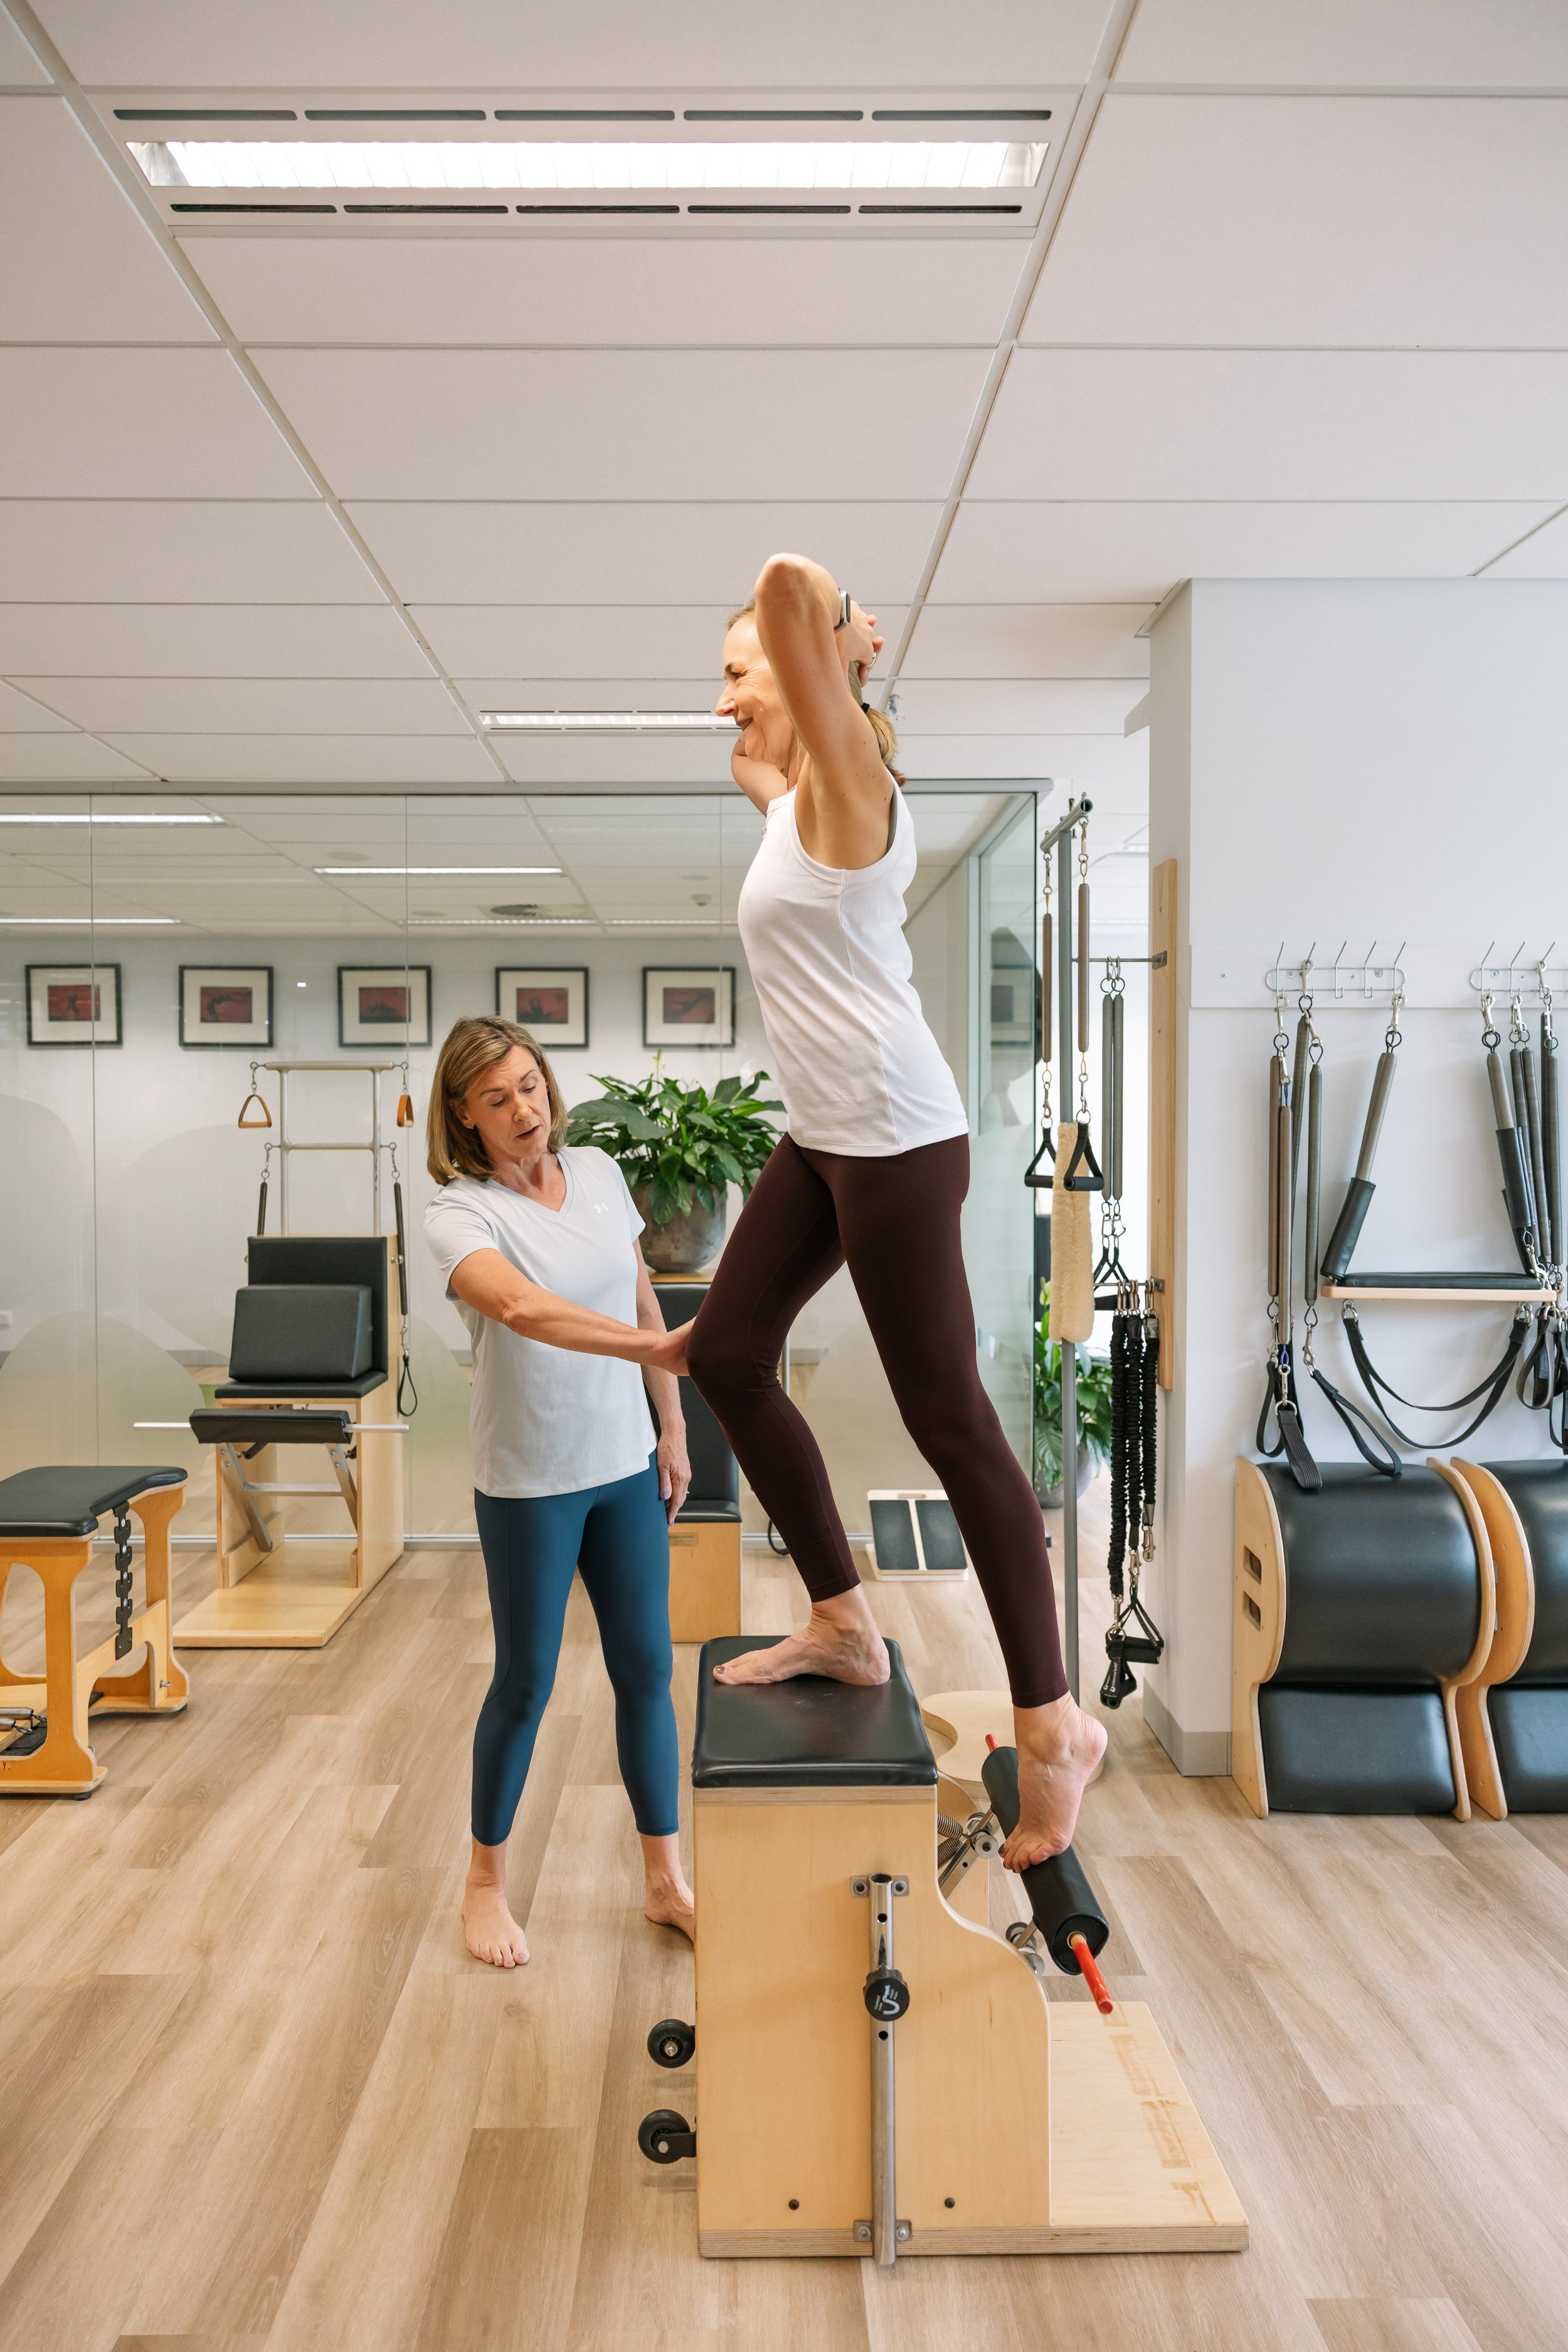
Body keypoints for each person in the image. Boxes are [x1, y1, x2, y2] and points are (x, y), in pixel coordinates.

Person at [679, 554, 1106, 1869]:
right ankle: (841, 1619)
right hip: (821, 1136)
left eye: (739, 672)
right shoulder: (792, 799)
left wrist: (826, 625)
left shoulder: (853, 789)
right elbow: (760, 759)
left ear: (815, 670)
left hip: (897, 1141)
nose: (724, 701)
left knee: (948, 1421)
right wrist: (770, 710)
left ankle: (1050, 1723)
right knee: (726, 1356)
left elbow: (789, 584)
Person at [423, 1015, 695, 1968]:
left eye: (530, 1085)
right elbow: (519, 1307)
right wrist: (656, 1351)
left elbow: (641, 1296)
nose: (523, 1110)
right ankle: (484, 1883)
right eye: (496, 1098)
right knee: (526, 1682)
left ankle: (666, 1879)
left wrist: (669, 1418)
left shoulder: (603, 1176)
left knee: (647, 1671)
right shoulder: (462, 1211)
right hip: (530, 1481)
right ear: (464, 1114)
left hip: (622, 1465)